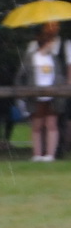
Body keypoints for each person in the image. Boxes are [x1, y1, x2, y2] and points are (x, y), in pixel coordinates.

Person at [18, 21, 66, 161]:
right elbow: (22, 75)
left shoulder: (54, 59)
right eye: (51, 42)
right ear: (46, 43)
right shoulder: (31, 57)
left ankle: (50, 154)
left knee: (51, 125)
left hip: (52, 96)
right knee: (37, 126)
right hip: (36, 96)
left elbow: (59, 75)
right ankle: (37, 154)